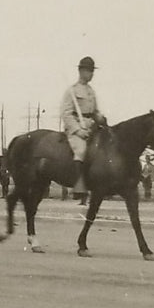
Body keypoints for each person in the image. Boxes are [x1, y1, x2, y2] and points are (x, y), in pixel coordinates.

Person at [59, 56, 101, 205]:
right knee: (81, 150)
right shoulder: (72, 91)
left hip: (91, 126)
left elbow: (95, 111)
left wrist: (100, 118)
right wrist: (78, 131)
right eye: (88, 70)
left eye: (92, 71)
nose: (91, 74)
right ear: (81, 71)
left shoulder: (91, 91)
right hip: (76, 128)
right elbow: (66, 114)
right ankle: (79, 186)